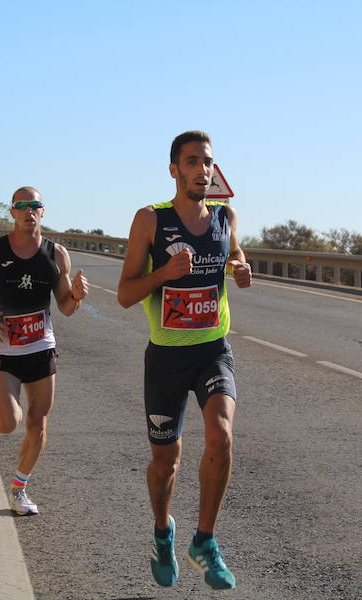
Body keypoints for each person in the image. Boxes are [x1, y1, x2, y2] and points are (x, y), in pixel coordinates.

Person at [117, 131, 252, 590]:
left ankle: (205, 542)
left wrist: (240, 267)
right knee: (166, 462)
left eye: (208, 161)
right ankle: (162, 532)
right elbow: (124, 294)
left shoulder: (224, 215)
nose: (202, 169)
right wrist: (163, 274)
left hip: (213, 350)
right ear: (174, 169)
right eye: (192, 161)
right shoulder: (150, 221)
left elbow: (233, 253)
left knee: (222, 434)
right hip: (167, 358)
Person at [0, 186, 89, 515]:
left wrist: (76, 295)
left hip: (42, 348)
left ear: (42, 211)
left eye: (35, 205)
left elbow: (65, 306)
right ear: (12, 212)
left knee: (38, 423)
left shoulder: (56, 254)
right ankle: (0, 408)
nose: (28, 211)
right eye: (22, 206)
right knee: (6, 423)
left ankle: (19, 489)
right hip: (6, 349)